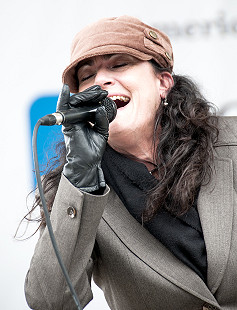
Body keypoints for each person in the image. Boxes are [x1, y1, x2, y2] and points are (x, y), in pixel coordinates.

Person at [24, 16, 237, 310]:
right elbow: (49, 301)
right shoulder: (76, 189)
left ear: (163, 83)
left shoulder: (232, 143)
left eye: (119, 64)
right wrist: (79, 177)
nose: (100, 80)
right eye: (87, 76)